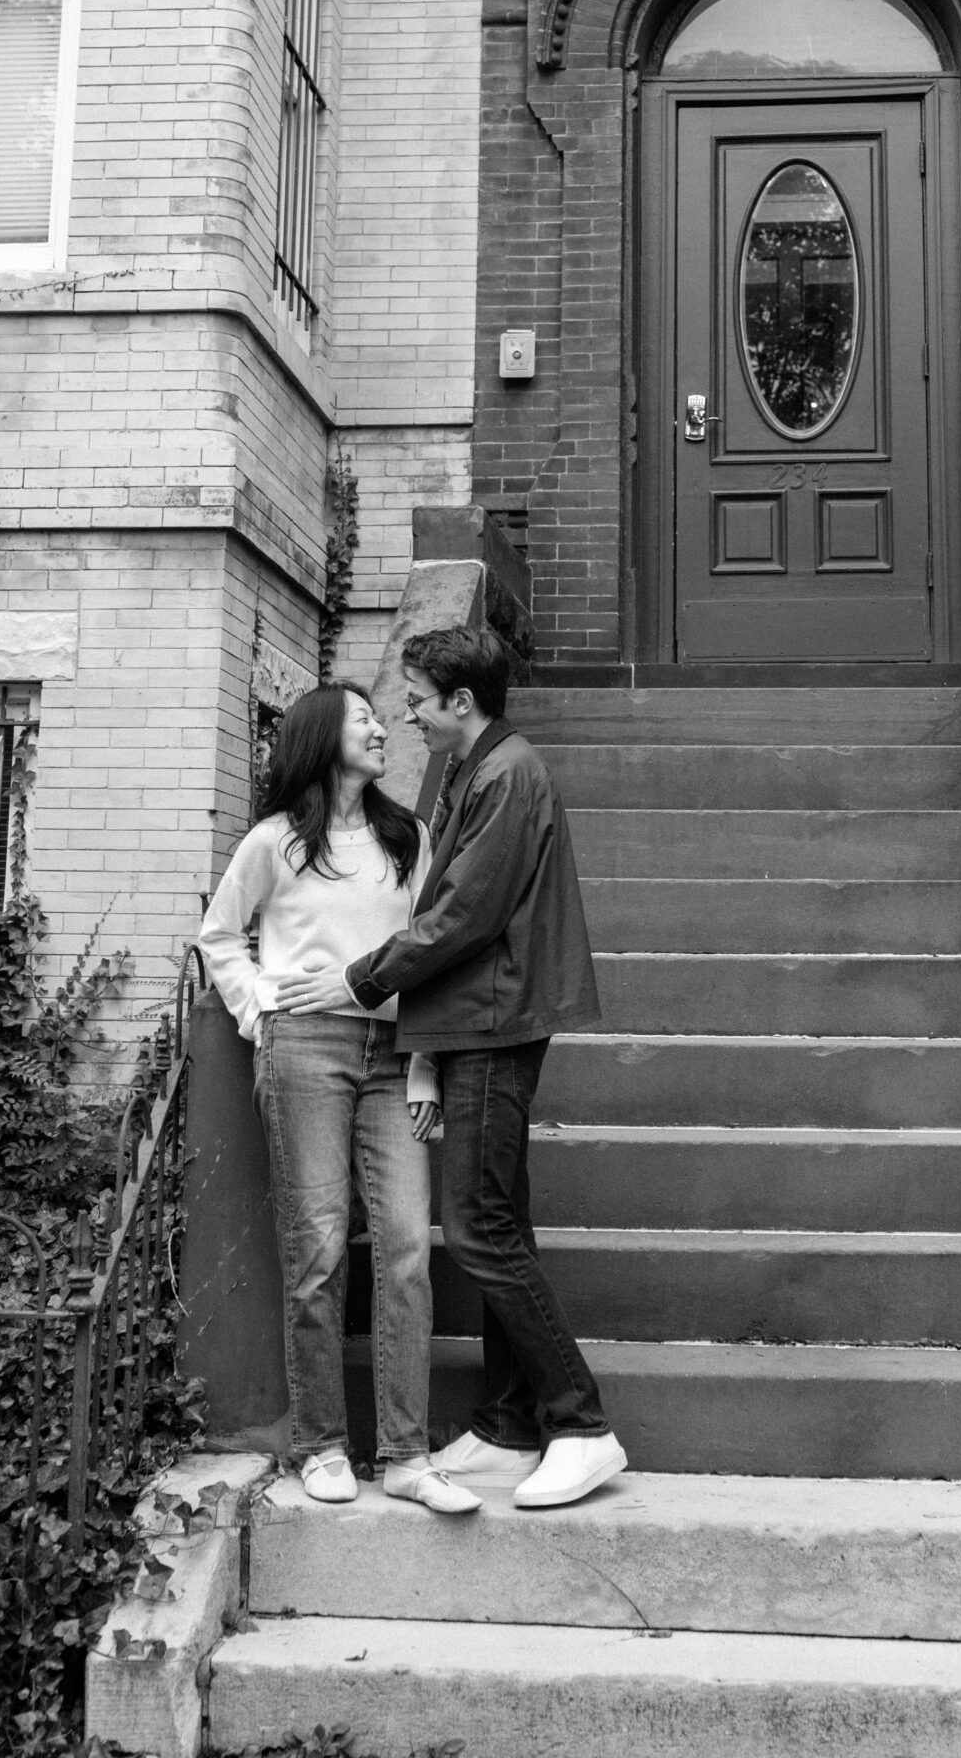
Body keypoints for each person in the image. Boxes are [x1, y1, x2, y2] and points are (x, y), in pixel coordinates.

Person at [338, 623, 627, 1511]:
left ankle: (581, 1426)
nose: (410, 717)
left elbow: (464, 911)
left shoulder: (507, 773)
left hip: (495, 1021)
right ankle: (509, 1422)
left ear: (462, 702)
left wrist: (365, 976)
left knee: (476, 1229)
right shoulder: (482, 767)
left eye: (419, 701)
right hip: (476, 1019)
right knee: (501, 1220)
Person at [197, 682, 478, 1517]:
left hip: (394, 1054)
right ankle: (320, 1444)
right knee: (316, 1250)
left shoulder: (409, 839)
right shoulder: (274, 843)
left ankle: (404, 1453)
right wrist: (258, 1010)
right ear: (322, 737)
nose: (380, 727)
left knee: (404, 1249)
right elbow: (219, 936)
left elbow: (432, 959)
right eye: (362, 717)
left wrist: (427, 1066)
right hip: (305, 1051)